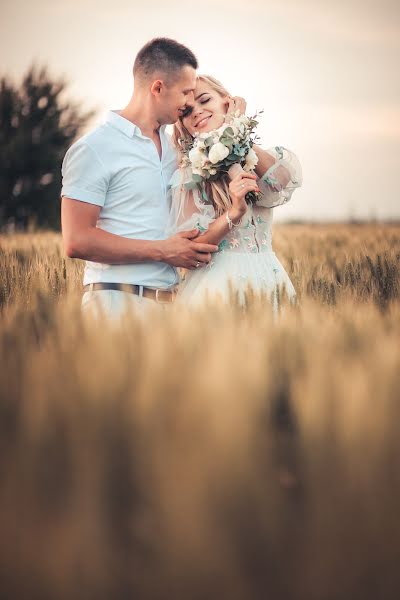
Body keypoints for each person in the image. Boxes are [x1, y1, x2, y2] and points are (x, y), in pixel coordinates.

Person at [61, 38, 218, 319]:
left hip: (171, 306)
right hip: (114, 304)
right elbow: (76, 240)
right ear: (158, 88)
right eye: (185, 93)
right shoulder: (94, 149)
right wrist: (163, 251)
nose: (189, 103)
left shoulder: (176, 151)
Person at [168, 74, 302, 313]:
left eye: (205, 100)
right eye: (187, 111)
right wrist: (234, 213)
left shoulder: (252, 157)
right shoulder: (190, 172)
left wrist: (237, 131)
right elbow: (194, 246)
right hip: (218, 287)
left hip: (270, 280)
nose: (197, 111)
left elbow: (281, 182)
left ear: (226, 102)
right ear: (183, 123)